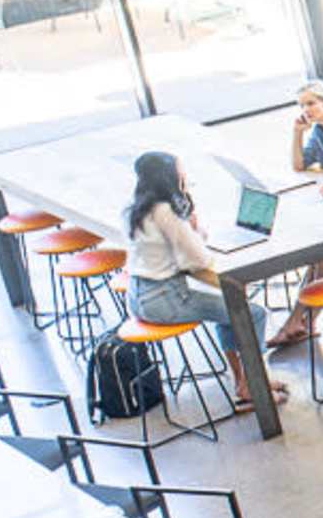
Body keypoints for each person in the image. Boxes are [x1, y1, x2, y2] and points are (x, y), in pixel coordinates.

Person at [123, 149, 309, 363]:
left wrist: (190, 230)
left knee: (227, 308)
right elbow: (199, 261)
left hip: (137, 298)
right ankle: (259, 383)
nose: (184, 175)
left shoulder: (133, 209)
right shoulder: (165, 212)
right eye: (181, 171)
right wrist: (194, 228)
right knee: (254, 313)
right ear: (170, 178)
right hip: (165, 301)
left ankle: (242, 381)